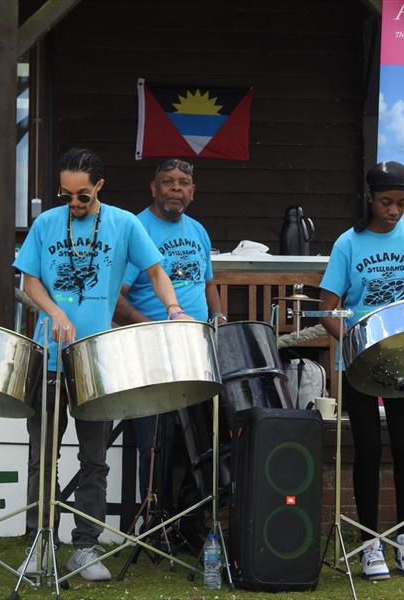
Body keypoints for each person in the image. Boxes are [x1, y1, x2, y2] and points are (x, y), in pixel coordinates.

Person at [13, 148, 192, 581]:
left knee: (94, 459)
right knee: (43, 456)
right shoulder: (45, 224)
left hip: (97, 359)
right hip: (50, 357)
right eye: (66, 195)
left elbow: (155, 272)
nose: (73, 204)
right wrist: (54, 312)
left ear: (99, 187)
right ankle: (40, 544)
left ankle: (86, 548)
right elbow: (29, 279)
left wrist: (172, 308)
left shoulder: (124, 224)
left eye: (82, 196)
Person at [318, 161, 404, 580]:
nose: (394, 211)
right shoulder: (348, 243)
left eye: (402, 203)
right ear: (370, 198)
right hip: (359, 358)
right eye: (387, 202)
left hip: (403, 357)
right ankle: (370, 543)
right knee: (369, 448)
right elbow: (326, 308)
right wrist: (351, 345)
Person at [114, 158, 225, 519]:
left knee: (201, 437)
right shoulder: (137, 229)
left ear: (192, 192)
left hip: (195, 348)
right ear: (153, 188)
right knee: (156, 442)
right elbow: (117, 297)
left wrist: (218, 319)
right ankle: (154, 519)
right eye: (167, 182)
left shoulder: (198, 230)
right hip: (152, 349)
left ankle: (190, 519)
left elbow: (208, 283)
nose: (175, 188)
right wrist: (153, 327)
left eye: (183, 183)